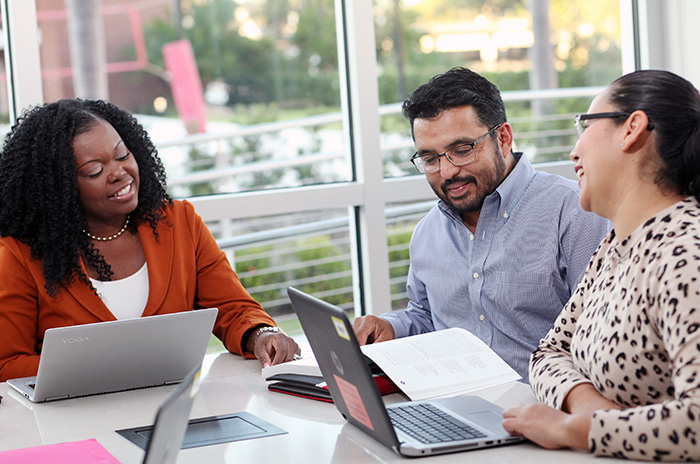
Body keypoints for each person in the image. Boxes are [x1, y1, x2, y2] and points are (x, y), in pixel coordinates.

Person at [0, 98, 300, 382]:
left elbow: (233, 309)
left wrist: (262, 334)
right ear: (58, 188)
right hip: (73, 424)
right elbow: (7, 364)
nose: (120, 173)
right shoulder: (20, 253)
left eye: (122, 155)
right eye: (94, 170)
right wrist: (111, 365)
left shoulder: (179, 223)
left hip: (176, 413)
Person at [353, 67, 610, 381]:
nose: (447, 172)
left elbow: (601, 338)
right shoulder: (428, 233)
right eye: (430, 159)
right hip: (449, 404)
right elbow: (426, 318)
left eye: (461, 151)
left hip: (542, 411)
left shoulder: (574, 213)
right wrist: (390, 327)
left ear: (503, 138)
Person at [502, 69, 700, 462]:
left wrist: (574, 429)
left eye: (585, 125)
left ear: (632, 129)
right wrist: (588, 404)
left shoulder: (686, 254)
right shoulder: (616, 246)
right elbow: (547, 354)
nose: (575, 151)